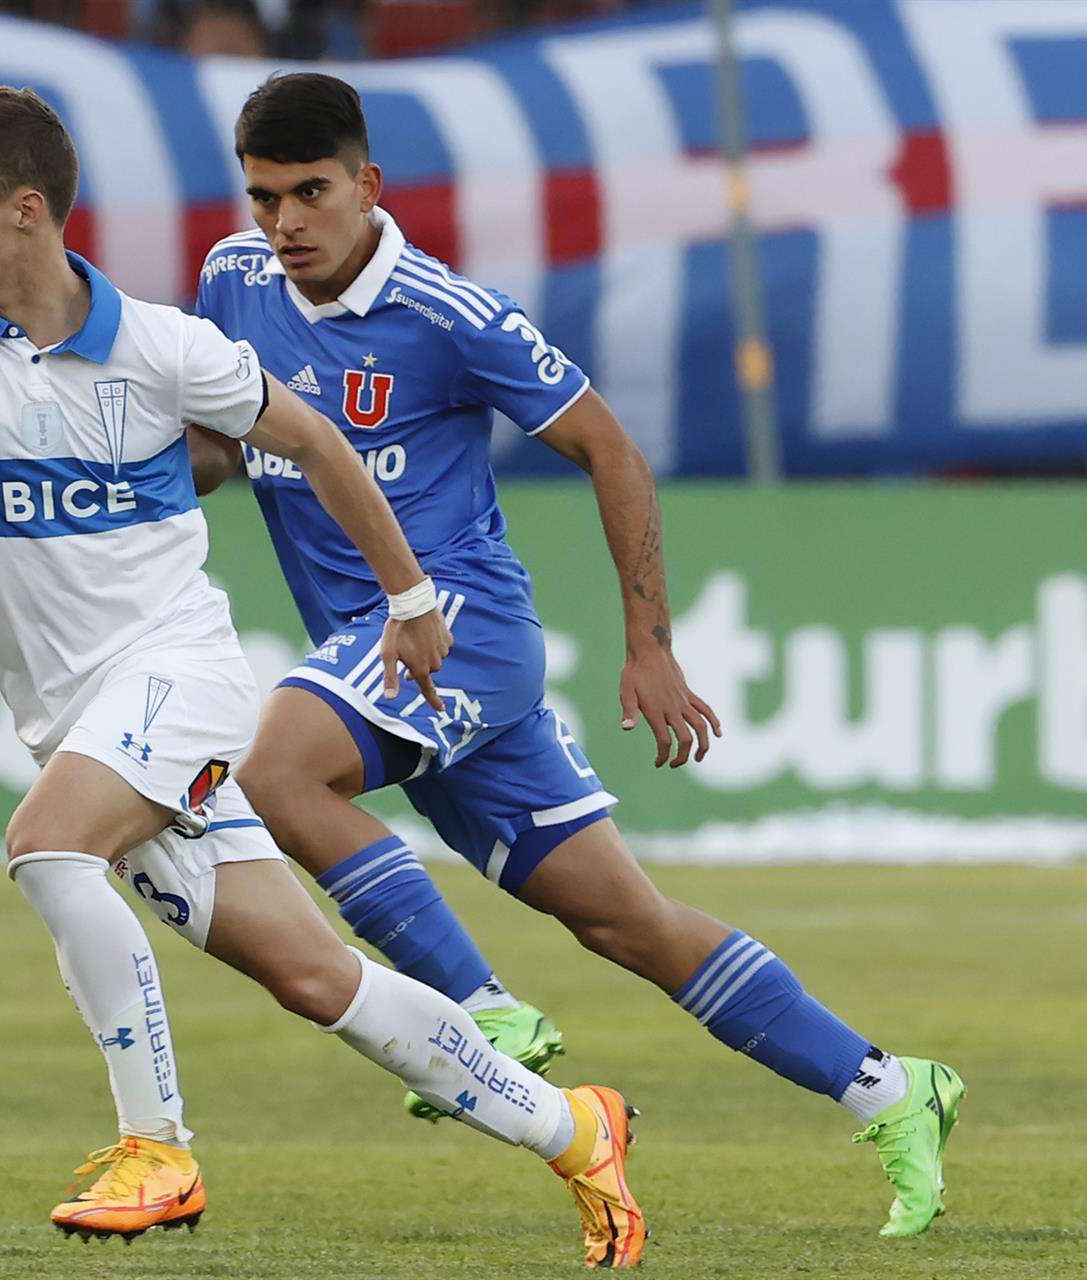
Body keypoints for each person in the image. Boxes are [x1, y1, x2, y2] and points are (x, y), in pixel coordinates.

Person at [0, 85, 644, 1266]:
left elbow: (322, 442)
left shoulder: (162, 347)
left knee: (47, 846)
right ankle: (572, 1127)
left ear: (26, 211)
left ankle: (159, 1149)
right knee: (315, 975)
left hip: (179, 676)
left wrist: (407, 599)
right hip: (74, 716)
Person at [187, 71, 963, 1240]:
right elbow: (219, 445)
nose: (286, 222)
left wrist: (649, 643)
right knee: (628, 921)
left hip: (464, 632)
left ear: (368, 186)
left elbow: (611, 447)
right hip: (380, 653)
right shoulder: (231, 281)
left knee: (280, 772)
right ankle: (895, 1086)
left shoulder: (454, 316)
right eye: (263, 197)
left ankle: (479, 1009)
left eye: (311, 192)